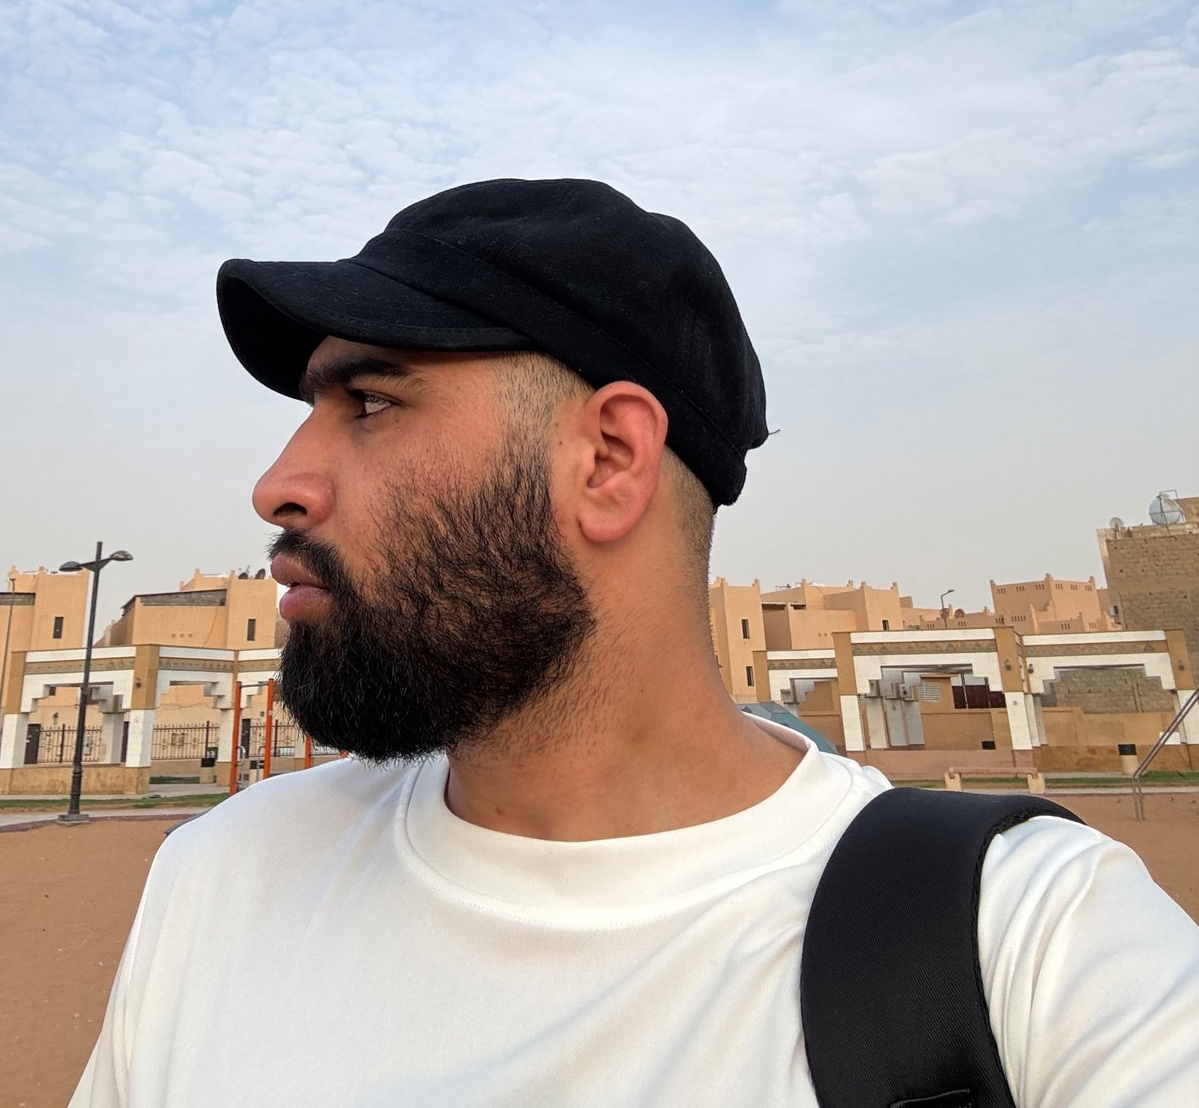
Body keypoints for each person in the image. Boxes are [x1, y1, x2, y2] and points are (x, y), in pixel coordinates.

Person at [70, 178, 1199, 1107]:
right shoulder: (225, 878)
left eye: (367, 403)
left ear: (608, 461)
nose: (277, 484)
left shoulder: (1026, 946)